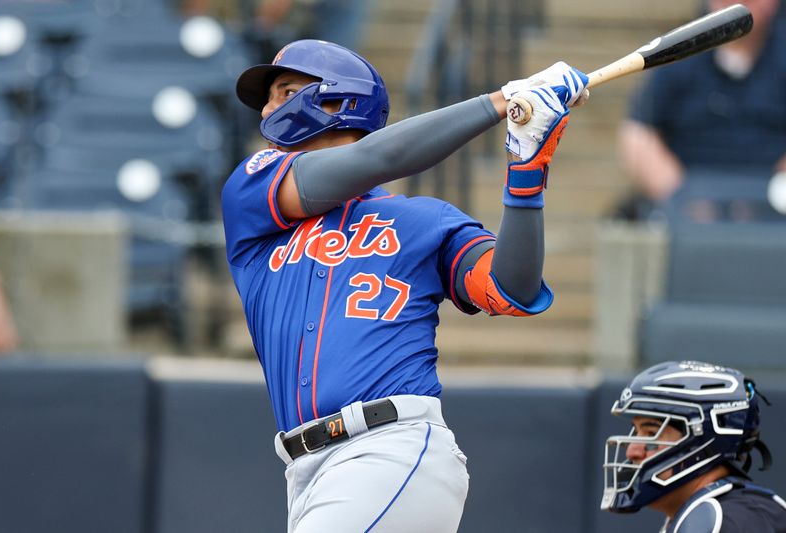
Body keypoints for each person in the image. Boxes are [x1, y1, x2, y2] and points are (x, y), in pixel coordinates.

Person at [221, 39, 588, 532]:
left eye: (285, 90)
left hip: (390, 446)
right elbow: (377, 158)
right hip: (304, 467)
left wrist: (526, 166)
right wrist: (500, 102)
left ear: (338, 102)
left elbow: (512, 290)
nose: (268, 107)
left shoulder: (424, 220)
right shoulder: (252, 191)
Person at [616, 0, 786, 221]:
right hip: (690, 210)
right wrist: (681, 197)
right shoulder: (678, 52)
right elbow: (639, 133)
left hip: (772, 212)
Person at [602, 360, 786, 532]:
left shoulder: (728, 520)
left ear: (702, 439)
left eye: (651, 433)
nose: (632, 451)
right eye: (636, 432)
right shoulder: (700, 515)